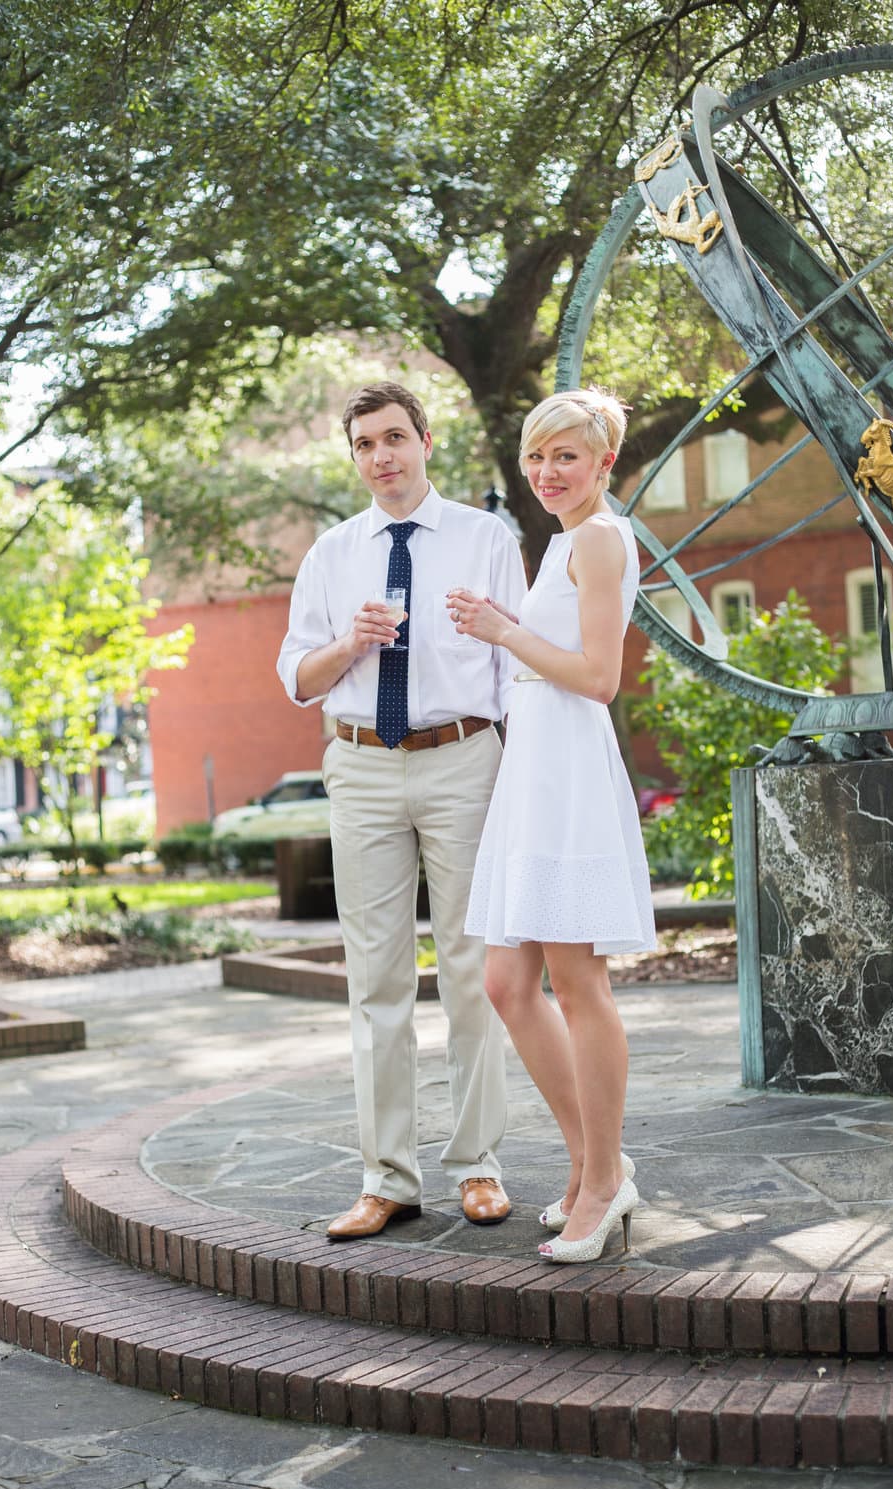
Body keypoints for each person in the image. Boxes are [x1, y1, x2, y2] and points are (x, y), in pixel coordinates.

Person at [277, 380, 527, 1240]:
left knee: (472, 971)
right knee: (374, 979)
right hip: (361, 768)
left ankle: (478, 1166)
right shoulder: (331, 554)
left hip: (463, 759)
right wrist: (350, 643)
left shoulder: (486, 539)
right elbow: (296, 680)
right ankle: (387, 1178)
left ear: (425, 440)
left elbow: (517, 670)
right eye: (365, 446)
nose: (381, 457)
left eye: (394, 438)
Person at [448, 387, 656, 1264]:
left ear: (604, 462)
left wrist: (502, 631)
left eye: (565, 456)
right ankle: (590, 1162)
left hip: (568, 765)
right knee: (506, 983)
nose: (545, 473)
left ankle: (604, 1182)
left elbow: (601, 676)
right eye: (537, 457)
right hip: (533, 766)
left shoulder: (602, 539)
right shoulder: (565, 542)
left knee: (577, 981)